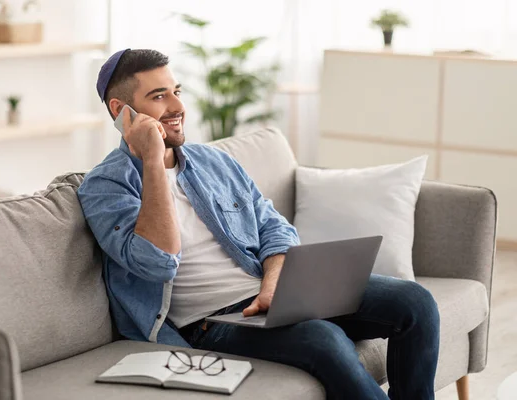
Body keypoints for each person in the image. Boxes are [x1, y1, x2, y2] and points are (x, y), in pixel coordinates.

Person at [76, 48, 441, 400]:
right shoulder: (106, 186)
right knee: (323, 338)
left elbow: (273, 226)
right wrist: (153, 160)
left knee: (416, 302)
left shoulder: (213, 162)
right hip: (212, 324)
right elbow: (156, 262)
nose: (177, 107)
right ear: (121, 111)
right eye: (159, 97)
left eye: (177, 92)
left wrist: (274, 282)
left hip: (273, 293)